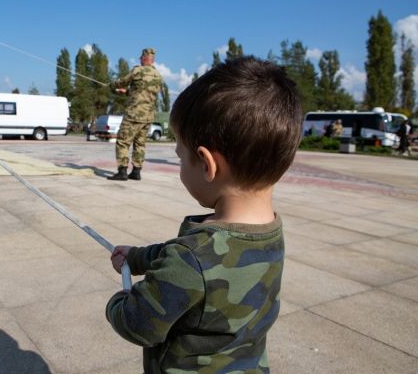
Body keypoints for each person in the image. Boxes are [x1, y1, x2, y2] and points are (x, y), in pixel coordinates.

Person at [106, 57, 302, 374]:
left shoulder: (192, 258)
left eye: (180, 158)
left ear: (207, 164)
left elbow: (139, 325)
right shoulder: (269, 233)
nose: (180, 168)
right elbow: (193, 263)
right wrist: (139, 257)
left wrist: (121, 299)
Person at [107, 48, 163, 181]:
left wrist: (111, 85)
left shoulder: (137, 71)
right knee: (140, 144)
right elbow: (143, 93)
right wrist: (126, 92)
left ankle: (122, 171)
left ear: (144, 58)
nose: (139, 59)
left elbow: (122, 81)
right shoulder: (158, 76)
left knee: (123, 141)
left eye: (141, 57)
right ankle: (136, 172)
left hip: (134, 115)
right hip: (148, 116)